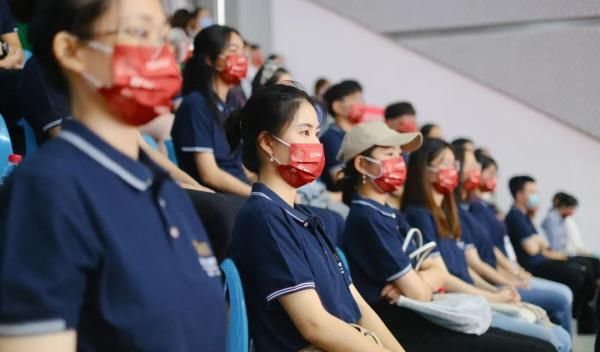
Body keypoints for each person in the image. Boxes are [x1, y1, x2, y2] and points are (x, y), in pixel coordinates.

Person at [0, 0, 226, 350]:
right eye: (140, 33)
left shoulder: (162, 189)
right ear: (71, 49)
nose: (160, 54)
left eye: (162, 38)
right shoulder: (50, 190)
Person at [338, 123, 555, 351]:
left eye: (399, 155)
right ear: (362, 164)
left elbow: (438, 271)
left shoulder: (390, 213)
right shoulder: (367, 218)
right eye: (389, 154)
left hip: (425, 316)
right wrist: (421, 281)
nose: (399, 162)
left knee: (540, 343)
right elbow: (420, 292)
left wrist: (417, 280)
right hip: (406, 328)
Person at [227, 84, 405, 351]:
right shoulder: (264, 217)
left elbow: (356, 303)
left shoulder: (305, 218)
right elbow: (315, 326)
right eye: (305, 132)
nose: (316, 145)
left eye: (317, 134)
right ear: (267, 143)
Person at [402, 139, 571, 351]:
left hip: (473, 295)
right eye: (444, 163)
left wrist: (497, 290)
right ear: (424, 171)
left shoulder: (446, 212)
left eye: (453, 164)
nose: (452, 170)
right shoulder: (418, 214)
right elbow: (446, 276)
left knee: (558, 334)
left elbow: (466, 267)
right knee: (552, 339)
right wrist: (494, 295)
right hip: (456, 302)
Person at [453, 140, 573, 336]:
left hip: (499, 278)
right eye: (478, 168)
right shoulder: (467, 210)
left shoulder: (481, 208)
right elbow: (476, 263)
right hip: (489, 284)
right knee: (561, 302)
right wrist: (507, 282)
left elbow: (494, 250)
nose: (489, 177)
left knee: (565, 294)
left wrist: (515, 273)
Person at [506, 175, 600, 333]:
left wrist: (537, 241)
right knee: (577, 275)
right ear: (519, 194)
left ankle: (580, 317)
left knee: (589, 268)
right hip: (534, 266)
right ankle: (572, 316)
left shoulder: (525, 216)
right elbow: (532, 249)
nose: (536, 196)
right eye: (532, 192)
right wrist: (538, 242)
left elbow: (543, 244)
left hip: (543, 260)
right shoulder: (515, 217)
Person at [171, 24, 251, 196]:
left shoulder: (234, 102)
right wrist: (255, 195)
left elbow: (241, 166)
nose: (241, 57)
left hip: (240, 192)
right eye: (233, 50)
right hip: (217, 198)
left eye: (242, 51)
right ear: (209, 59)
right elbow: (209, 175)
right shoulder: (195, 105)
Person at [320, 79, 364, 191]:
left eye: (361, 99)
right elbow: (341, 181)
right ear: (337, 106)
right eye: (355, 99)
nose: (362, 104)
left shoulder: (358, 136)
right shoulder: (331, 138)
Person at [542, 192, 594, 256]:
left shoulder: (563, 220)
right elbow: (554, 245)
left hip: (564, 253)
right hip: (557, 255)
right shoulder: (551, 219)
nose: (572, 213)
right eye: (571, 209)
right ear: (564, 206)